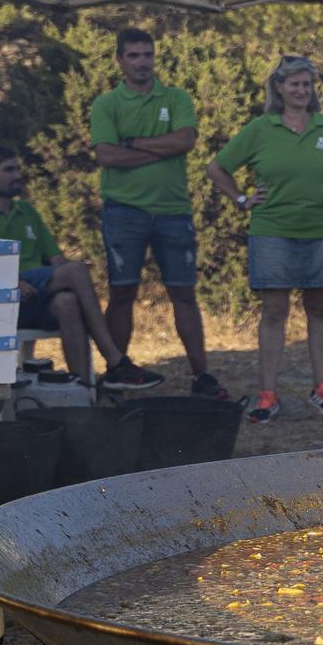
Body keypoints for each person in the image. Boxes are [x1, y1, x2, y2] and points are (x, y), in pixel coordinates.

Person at [206, 56, 323, 425]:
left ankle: (322, 387)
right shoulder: (261, 128)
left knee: (319, 309)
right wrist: (241, 200)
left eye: (307, 85)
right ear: (278, 88)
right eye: (294, 84)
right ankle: (267, 393)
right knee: (275, 312)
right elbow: (216, 168)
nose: (301, 91)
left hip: (320, 231)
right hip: (272, 231)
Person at [88, 27, 228, 399]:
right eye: (133, 55)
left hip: (172, 210)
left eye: (147, 55)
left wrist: (132, 143)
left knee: (184, 293)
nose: (142, 63)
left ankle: (202, 375)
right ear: (119, 60)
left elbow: (186, 140)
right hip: (124, 211)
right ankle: (117, 369)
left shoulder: (176, 97)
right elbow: (106, 155)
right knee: (122, 292)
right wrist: (160, 149)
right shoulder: (106, 104)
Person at [0, 144, 163, 390]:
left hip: (36, 295)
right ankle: (115, 361)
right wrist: (13, 282)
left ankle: (81, 394)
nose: (18, 175)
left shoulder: (27, 211)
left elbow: (56, 260)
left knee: (68, 303)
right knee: (76, 271)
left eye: (18, 168)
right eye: (9, 170)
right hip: (3, 298)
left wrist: (69, 281)